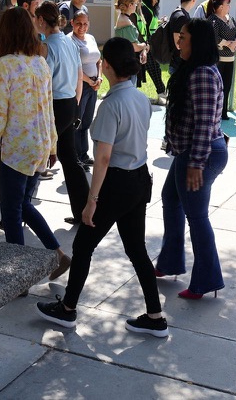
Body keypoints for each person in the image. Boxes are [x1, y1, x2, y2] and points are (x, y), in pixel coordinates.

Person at [37, 37, 169, 337]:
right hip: (139, 179)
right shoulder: (140, 98)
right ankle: (155, 315)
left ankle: (67, 309)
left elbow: (104, 157)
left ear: (106, 65)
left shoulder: (111, 105)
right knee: (136, 249)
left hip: (117, 184)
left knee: (83, 245)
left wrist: (92, 199)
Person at [0, 7, 71, 281]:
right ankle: (57, 254)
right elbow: (48, 109)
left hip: (16, 148)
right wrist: (52, 145)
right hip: (39, 143)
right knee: (22, 205)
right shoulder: (40, 63)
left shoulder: (5, 65)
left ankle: (19, 274)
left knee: (12, 210)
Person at [155, 18, 228, 300]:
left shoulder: (203, 74)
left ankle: (207, 280)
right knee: (171, 199)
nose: (178, 42)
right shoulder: (193, 68)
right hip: (190, 151)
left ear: (196, 42)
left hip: (202, 153)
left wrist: (196, 163)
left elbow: (205, 123)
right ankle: (170, 262)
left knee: (197, 217)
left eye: (183, 37)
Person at [36, 1, 90, 224]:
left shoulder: (47, 46)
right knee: (70, 159)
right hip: (69, 103)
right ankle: (84, 211)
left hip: (55, 105)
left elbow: (43, 83)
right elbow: (78, 76)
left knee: (35, 155)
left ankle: (16, 210)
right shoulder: (69, 42)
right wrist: (76, 105)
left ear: (41, 20)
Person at [70, 12, 101, 169]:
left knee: (87, 121)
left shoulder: (91, 38)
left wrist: (99, 78)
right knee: (78, 122)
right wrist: (89, 80)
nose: (82, 27)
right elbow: (73, 67)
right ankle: (76, 158)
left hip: (93, 85)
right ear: (72, 23)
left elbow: (98, 61)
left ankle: (84, 155)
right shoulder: (69, 41)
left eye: (85, 24)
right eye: (78, 23)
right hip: (80, 86)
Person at [209, 0, 236, 120]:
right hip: (218, 60)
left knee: (227, 86)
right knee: (216, 87)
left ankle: (223, 111)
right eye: (227, 4)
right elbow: (214, 37)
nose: (229, 7)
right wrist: (228, 43)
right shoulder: (213, 20)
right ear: (221, 7)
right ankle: (214, 112)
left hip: (230, 59)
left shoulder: (230, 18)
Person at [139, 0, 167, 105]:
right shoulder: (144, 9)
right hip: (146, 44)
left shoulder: (150, 9)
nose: (156, 1)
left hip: (150, 44)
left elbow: (151, 24)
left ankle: (162, 93)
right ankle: (162, 93)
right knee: (153, 69)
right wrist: (147, 45)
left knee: (154, 69)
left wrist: (160, 21)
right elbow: (144, 27)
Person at [114, 0, 147, 85]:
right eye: (135, 3)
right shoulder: (126, 21)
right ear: (130, 5)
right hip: (127, 62)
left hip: (124, 60)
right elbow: (135, 47)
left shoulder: (123, 18)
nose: (136, 5)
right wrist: (145, 45)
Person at [168, 0, 198, 74]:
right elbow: (178, 44)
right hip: (179, 66)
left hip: (180, 64)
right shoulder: (181, 17)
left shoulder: (180, 13)